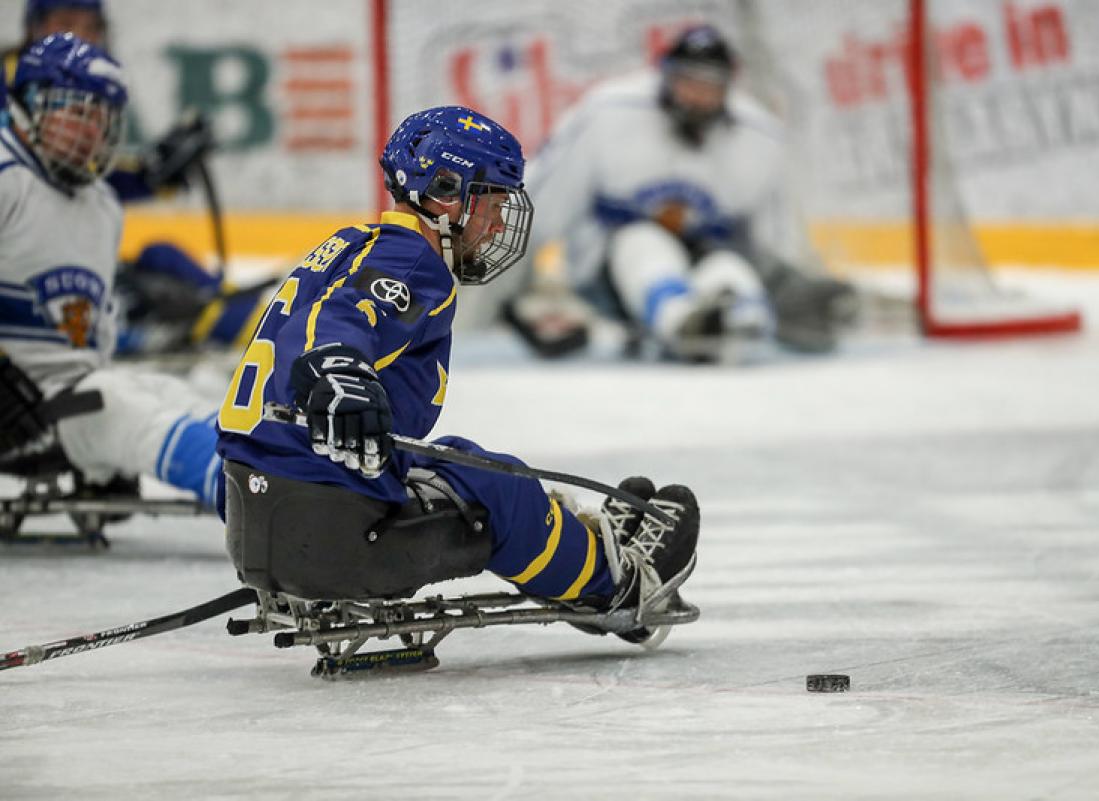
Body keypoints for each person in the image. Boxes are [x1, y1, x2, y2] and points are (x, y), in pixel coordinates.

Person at [216, 106, 699, 639]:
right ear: (446, 193)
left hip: (252, 519)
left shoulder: (351, 247)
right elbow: (338, 323)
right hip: (336, 532)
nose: (496, 225)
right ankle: (621, 584)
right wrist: (338, 367)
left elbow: (317, 326)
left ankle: (581, 539)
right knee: (495, 484)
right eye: (490, 204)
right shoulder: (409, 260)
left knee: (451, 458)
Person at [509, 24, 857, 361]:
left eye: (710, 85)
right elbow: (542, 207)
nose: (697, 94)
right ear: (664, 75)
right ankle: (681, 322)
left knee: (726, 262)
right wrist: (513, 290)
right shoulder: (608, 114)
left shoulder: (758, 136)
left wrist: (792, 292)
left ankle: (742, 314)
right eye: (688, 80)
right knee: (642, 241)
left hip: (708, 256)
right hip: (609, 278)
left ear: (728, 89)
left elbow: (773, 238)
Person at [0, 33, 221, 507]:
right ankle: (257, 497)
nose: (89, 132)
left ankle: (285, 470)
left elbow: (91, 339)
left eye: (100, 118)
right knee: (114, 405)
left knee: (163, 390)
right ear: (27, 105)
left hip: (64, 404)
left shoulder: (101, 203)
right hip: (15, 414)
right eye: (75, 112)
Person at [4, 0, 225, 357]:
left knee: (165, 258)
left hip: (58, 255)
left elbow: (72, 180)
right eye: (65, 22)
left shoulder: (87, 86)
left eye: (91, 27)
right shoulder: (19, 93)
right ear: (32, 28)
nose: (80, 36)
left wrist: (151, 174)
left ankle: (250, 316)